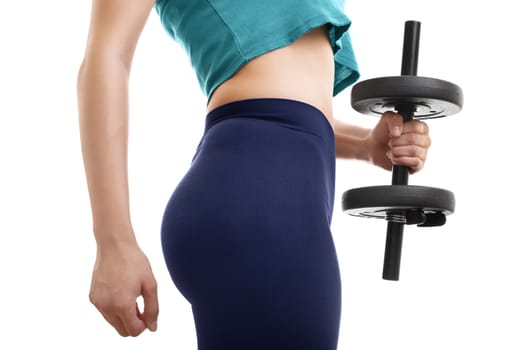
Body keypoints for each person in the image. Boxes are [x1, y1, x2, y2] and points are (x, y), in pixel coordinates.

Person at [77, 0, 431, 348]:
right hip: (258, 198)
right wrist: (113, 242)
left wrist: (366, 145)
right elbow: (108, 55)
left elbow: (289, 103)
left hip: (265, 189)